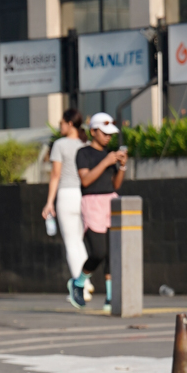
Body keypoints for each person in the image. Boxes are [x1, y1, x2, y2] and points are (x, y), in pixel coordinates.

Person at [73, 113, 128, 311]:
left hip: (110, 201)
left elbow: (115, 184)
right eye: (104, 133)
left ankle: (110, 297)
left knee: (113, 251)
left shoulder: (109, 154)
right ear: (93, 132)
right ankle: (79, 282)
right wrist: (106, 161)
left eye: (110, 134)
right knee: (98, 251)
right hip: (92, 202)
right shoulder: (83, 153)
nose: (107, 137)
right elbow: (86, 180)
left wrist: (122, 166)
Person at [42, 109, 89, 305]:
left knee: (71, 243)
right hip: (84, 195)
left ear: (70, 124)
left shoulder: (60, 144)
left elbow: (55, 175)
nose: (60, 126)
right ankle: (86, 280)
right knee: (79, 241)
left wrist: (49, 202)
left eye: (62, 123)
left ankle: (81, 286)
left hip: (66, 194)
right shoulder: (85, 144)